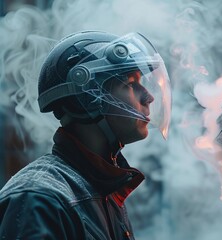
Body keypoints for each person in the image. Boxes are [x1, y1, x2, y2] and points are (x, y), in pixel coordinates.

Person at [0, 31, 171, 239]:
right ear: (87, 99)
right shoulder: (38, 200)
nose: (149, 97)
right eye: (130, 84)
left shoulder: (102, 188)